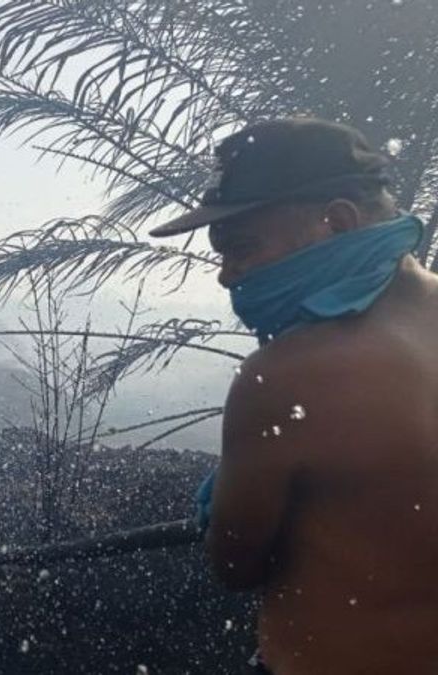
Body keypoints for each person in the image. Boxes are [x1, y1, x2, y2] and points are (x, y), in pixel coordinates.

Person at [151, 117, 438, 674]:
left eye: (242, 247)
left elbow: (235, 564)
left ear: (336, 221)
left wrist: (224, 504)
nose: (227, 276)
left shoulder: (286, 377)